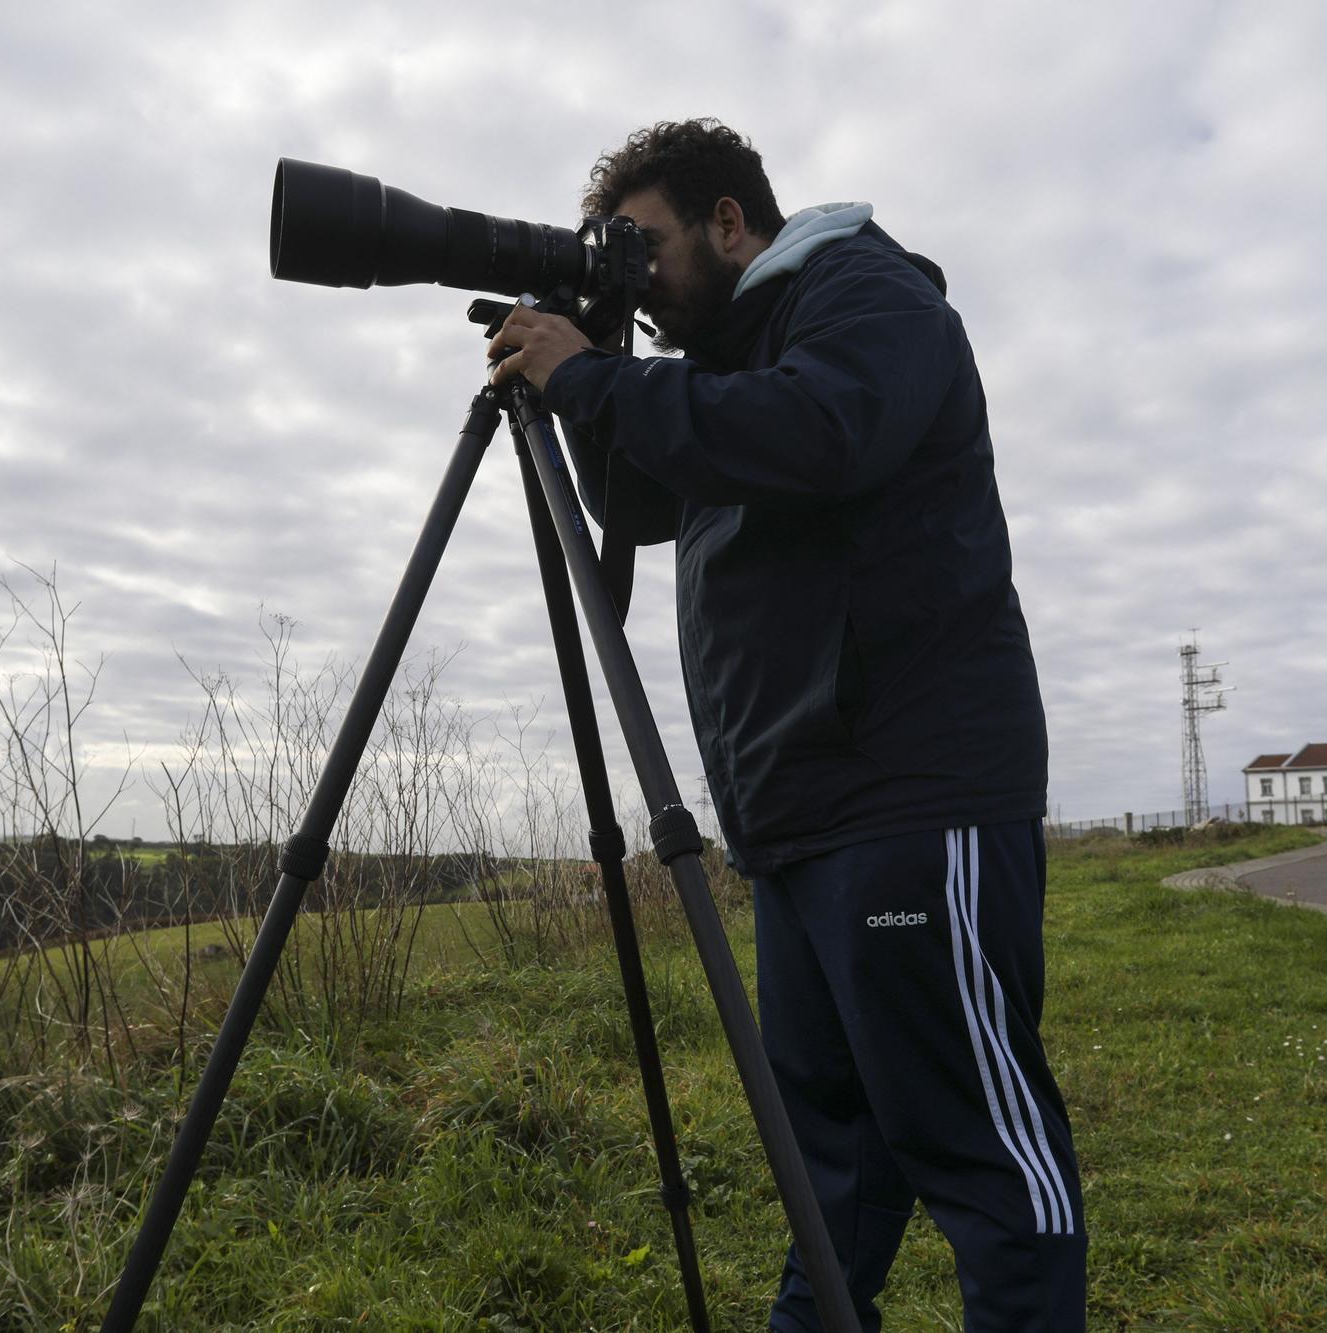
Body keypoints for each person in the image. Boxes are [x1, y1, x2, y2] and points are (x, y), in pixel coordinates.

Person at [487, 119, 1085, 1332]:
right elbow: (643, 496)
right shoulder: (716, 366)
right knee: (835, 1162)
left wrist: (601, 375)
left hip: (909, 793)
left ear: (726, 222)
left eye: (642, 248)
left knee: (977, 1152)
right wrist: (594, 367)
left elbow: (820, 432)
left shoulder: (865, 293)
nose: (636, 276)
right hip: (793, 818)